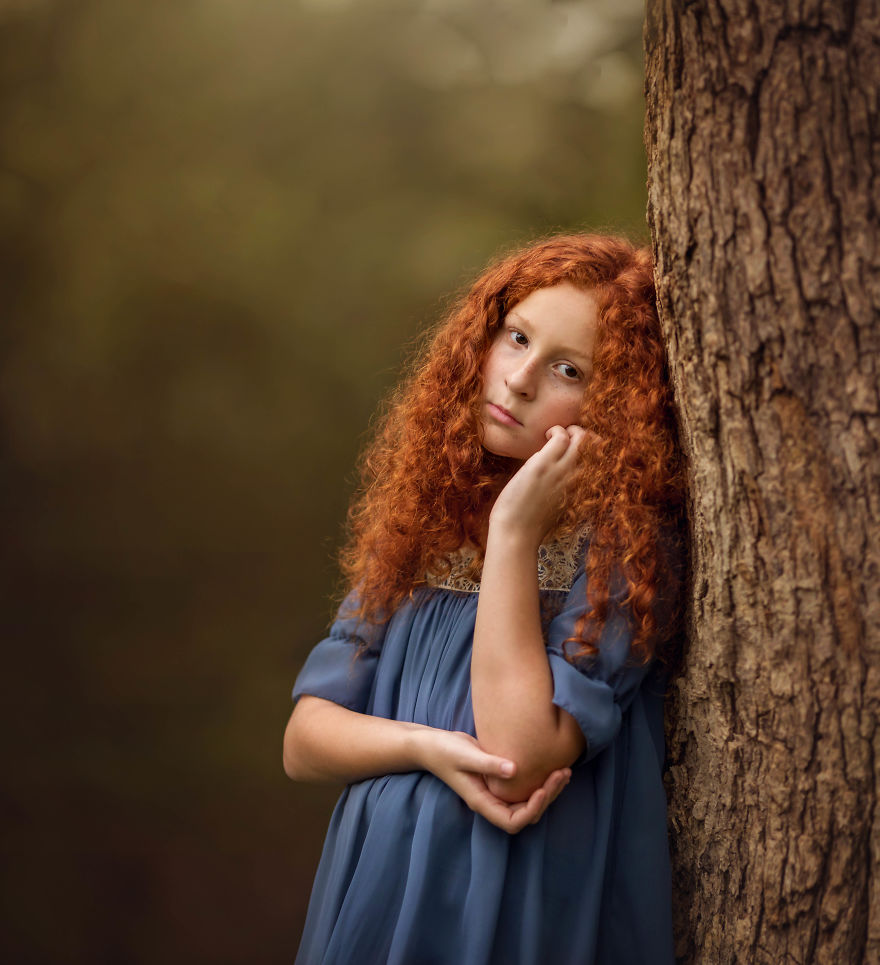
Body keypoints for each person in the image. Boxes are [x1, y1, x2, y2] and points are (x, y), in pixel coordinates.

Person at [283, 233, 686, 965]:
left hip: (524, 895)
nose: (521, 379)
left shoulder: (624, 550)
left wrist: (512, 536)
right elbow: (304, 741)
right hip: (381, 878)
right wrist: (425, 748)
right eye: (516, 337)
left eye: (569, 368)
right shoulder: (425, 523)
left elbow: (519, 755)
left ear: (620, 407)